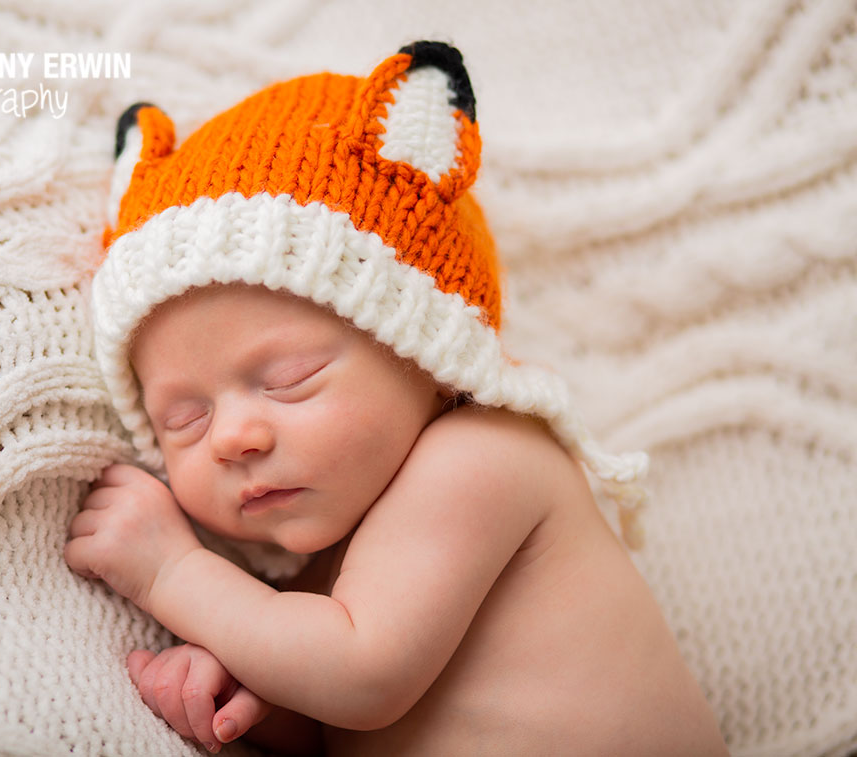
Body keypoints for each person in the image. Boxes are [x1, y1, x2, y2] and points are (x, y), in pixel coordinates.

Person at [69, 42, 728, 755]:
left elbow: (363, 677)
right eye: (184, 419)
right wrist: (250, 698)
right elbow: (339, 710)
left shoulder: (485, 456)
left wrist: (175, 571)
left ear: (428, 356)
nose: (233, 436)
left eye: (290, 377)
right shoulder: (316, 563)